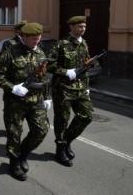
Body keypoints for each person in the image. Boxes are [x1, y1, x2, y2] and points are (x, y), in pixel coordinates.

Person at [0, 22, 51, 181]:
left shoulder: (40, 52)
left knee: (41, 130)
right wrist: (12, 88)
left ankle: (23, 154)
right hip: (15, 101)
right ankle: (14, 163)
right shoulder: (11, 52)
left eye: (38, 38)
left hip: (36, 100)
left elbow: (43, 76)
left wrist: (47, 96)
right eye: (33, 39)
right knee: (14, 135)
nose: (36, 41)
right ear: (23, 37)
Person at [48, 16, 93, 167]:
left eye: (84, 26)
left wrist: (87, 87)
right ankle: (60, 149)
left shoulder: (84, 44)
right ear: (71, 27)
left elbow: (84, 66)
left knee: (86, 116)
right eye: (80, 26)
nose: (83, 29)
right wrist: (66, 72)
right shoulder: (61, 44)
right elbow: (49, 64)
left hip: (80, 88)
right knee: (62, 120)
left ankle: (66, 141)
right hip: (63, 89)